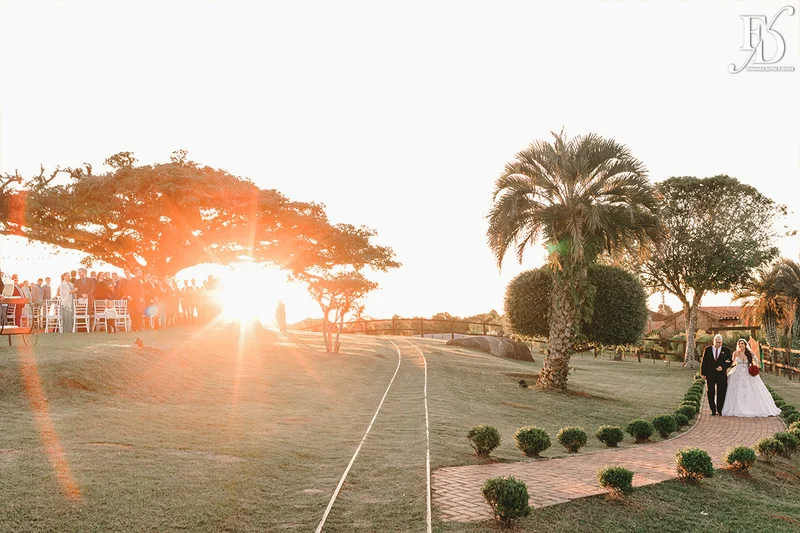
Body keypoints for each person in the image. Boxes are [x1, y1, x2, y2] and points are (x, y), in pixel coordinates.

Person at [721, 339, 781, 417]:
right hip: (737, 372)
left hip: (747, 372)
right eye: (739, 344)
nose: (740, 345)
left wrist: (755, 368)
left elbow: (756, 360)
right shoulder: (735, 353)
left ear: (745, 345)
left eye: (742, 343)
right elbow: (732, 362)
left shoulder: (749, 353)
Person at [700, 334, 733, 416]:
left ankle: (720, 409)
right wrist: (703, 373)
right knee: (710, 392)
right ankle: (713, 409)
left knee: (721, 392)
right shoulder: (707, 350)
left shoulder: (726, 350)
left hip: (721, 375)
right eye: (716, 342)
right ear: (713, 341)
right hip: (710, 374)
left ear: (722, 342)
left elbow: (730, 361)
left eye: (720, 342)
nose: (718, 344)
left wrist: (723, 367)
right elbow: (704, 362)